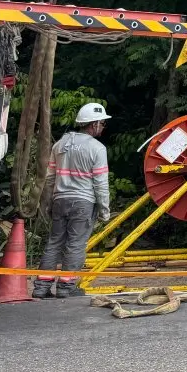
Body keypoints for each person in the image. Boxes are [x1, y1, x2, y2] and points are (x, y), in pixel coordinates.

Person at [34, 102, 112, 299]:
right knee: (76, 244)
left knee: (54, 242)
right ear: (93, 125)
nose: (102, 128)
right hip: (83, 203)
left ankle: (41, 287)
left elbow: (50, 178)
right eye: (102, 124)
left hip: (60, 200)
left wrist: (49, 203)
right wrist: (104, 210)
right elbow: (100, 183)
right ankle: (66, 287)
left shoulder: (59, 145)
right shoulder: (97, 148)